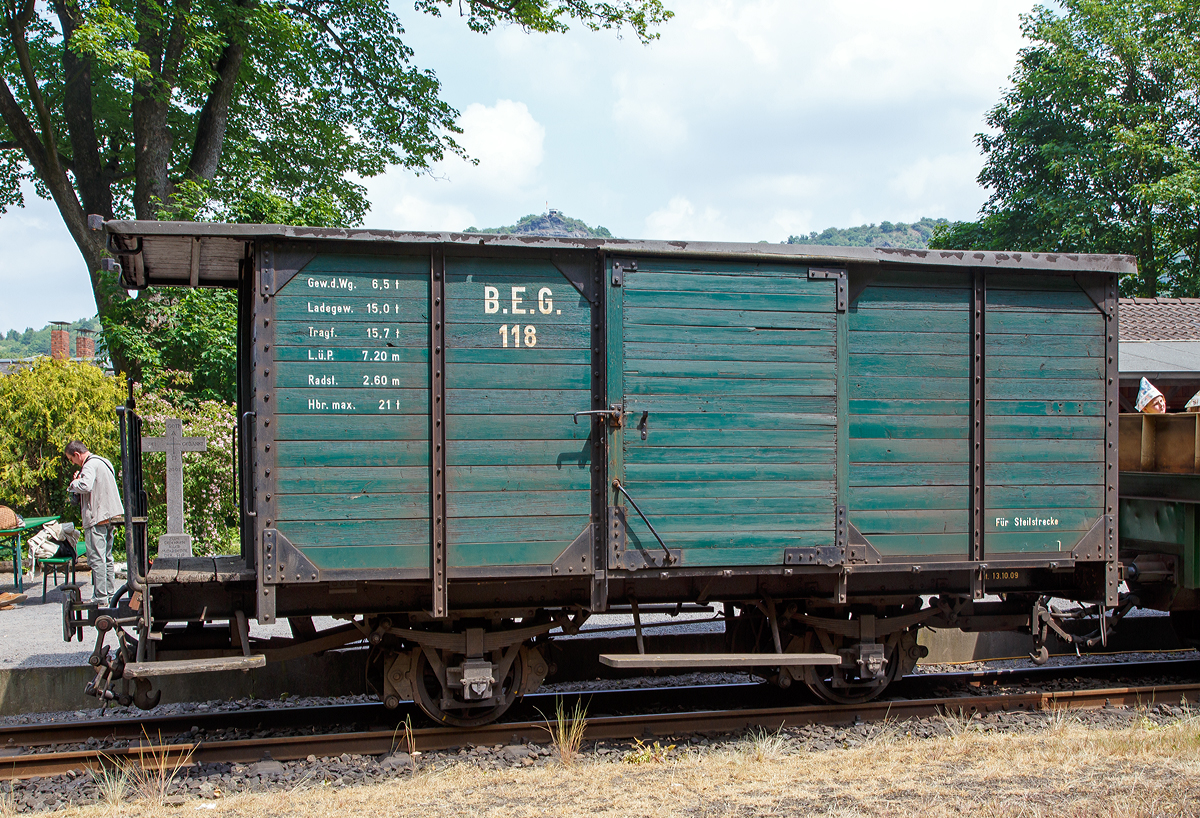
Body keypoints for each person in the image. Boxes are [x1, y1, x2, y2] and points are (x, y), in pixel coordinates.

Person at [65, 441, 123, 603]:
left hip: (97, 517)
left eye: (71, 459)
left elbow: (85, 486)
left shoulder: (89, 465)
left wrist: (73, 483)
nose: (73, 463)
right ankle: (111, 594)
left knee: (97, 559)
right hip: (110, 515)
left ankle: (100, 596)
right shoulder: (105, 462)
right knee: (107, 557)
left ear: (77, 454)